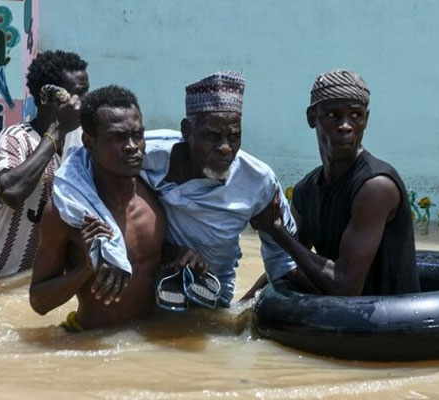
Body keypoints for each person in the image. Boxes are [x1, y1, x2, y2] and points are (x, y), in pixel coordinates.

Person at [54, 71, 304, 308]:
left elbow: (283, 259)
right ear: (186, 131)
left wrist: (243, 309)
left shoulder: (258, 181)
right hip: (156, 290)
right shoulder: (147, 153)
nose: (226, 148)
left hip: (213, 294)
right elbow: (78, 166)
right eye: (213, 136)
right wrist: (105, 244)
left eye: (234, 136)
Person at [248, 69, 420, 296]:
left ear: (366, 120)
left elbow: (347, 286)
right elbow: (289, 261)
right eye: (333, 115)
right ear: (312, 117)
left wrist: (277, 231)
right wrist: (241, 306)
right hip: (341, 319)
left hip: (391, 322)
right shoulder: (306, 190)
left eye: (355, 116)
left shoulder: (376, 187)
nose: (345, 125)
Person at [29, 85, 166, 330]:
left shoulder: (157, 195)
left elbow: (152, 260)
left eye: (137, 135)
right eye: (118, 137)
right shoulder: (67, 212)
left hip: (149, 344)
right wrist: (86, 269)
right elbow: (39, 302)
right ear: (89, 142)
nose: (132, 146)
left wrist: (185, 255)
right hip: (90, 346)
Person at [0, 50, 89, 279]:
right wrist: (56, 131)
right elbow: (11, 192)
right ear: (47, 97)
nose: (83, 103)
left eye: (85, 93)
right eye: (77, 94)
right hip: (2, 280)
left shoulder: (83, 141)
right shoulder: (15, 138)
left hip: (48, 283)